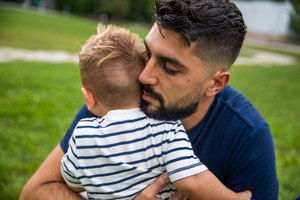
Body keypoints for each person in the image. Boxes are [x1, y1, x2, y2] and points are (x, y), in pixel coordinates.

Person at [20, 0, 278, 200]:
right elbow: (34, 192)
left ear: (215, 84)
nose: (144, 75)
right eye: (149, 53)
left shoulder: (247, 136)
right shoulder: (123, 97)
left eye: (169, 67)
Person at [60, 24, 250, 200]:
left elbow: (72, 182)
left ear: (88, 97)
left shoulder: (83, 134)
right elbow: (191, 182)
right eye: (148, 56)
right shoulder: (165, 128)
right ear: (140, 83)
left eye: (169, 68)